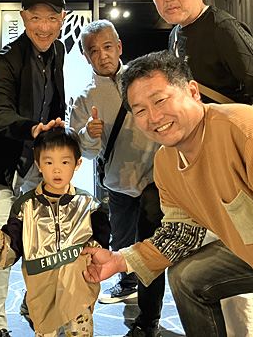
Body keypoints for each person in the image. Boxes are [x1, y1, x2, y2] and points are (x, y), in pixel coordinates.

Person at [82, 51, 253, 337]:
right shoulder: (165, 163)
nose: (154, 117)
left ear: (192, 91)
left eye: (160, 100)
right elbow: (179, 234)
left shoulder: (245, 129)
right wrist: (120, 260)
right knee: (188, 278)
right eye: (140, 111)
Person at [146, 0, 253, 335]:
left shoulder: (220, 27)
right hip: (205, 168)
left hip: (234, 170)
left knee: (235, 277)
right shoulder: (177, 35)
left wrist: (250, 160)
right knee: (205, 272)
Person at [0, 0, 67, 337]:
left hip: (40, 167)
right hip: (6, 169)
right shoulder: (7, 59)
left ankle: (36, 307)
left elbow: (56, 100)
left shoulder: (58, 50)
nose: (44, 27)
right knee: (1, 248)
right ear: (24, 18)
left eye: (51, 18)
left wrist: (57, 129)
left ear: (62, 19)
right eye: (36, 18)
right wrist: (31, 129)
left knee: (44, 243)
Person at [68, 20, 164, 337]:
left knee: (150, 250)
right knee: (122, 243)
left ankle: (148, 320)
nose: (103, 56)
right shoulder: (85, 98)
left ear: (119, 47)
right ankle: (128, 283)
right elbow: (87, 153)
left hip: (155, 180)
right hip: (118, 182)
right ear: (86, 57)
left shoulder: (143, 79)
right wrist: (88, 134)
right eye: (94, 51)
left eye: (108, 47)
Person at [0, 127, 110, 337]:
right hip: (42, 292)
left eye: (65, 162)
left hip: (78, 292)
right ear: (38, 165)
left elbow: (101, 244)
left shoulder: (90, 205)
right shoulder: (25, 206)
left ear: (77, 164)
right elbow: (13, 242)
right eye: (49, 162)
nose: (57, 170)